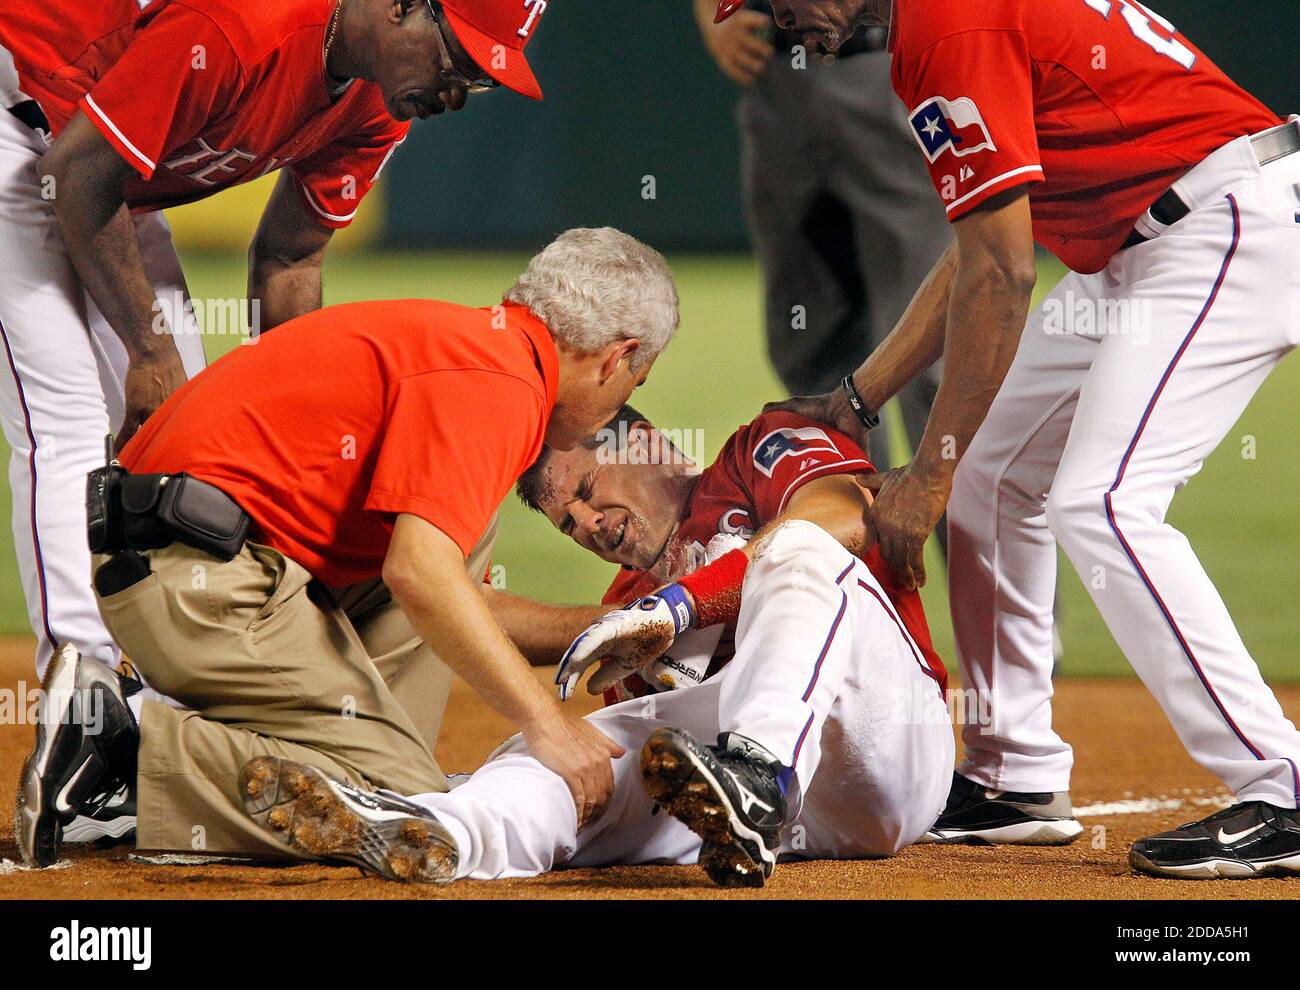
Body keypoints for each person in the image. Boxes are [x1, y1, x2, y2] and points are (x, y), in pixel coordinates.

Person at [715, 0, 1300, 877]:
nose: (781, 22)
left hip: (1223, 222)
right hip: (1146, 239)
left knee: (1105, 501)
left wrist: (925, 478)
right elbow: (975, 250)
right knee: (991, 482)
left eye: (780, 1)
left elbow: (1004, 274)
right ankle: (1012, 774)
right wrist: (859, 398)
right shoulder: (937, 28)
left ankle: (1283, 784)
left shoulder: (949, 29)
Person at [15, 227, 678, 872]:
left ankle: (300, 748)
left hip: (187, 555)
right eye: (634, 383)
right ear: (617, 356)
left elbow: (448, 594)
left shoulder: (476, 343)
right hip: (199, 579)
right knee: (395, 806)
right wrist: (549, 726)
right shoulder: (500, 379)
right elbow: (419, 575)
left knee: (462, 537)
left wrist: (600, 630)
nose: (621, 401)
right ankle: (120, 739)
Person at [0, 0, 550, 688]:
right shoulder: (245, 24)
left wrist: (296, 439)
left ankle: (167, 678)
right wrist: (150, 351)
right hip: (20, 120)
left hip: (99, 165)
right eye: (457, 58)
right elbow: (80, 173)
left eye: (480, 78)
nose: (456, 91)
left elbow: (289, 259)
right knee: (69, 421)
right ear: (404, 6)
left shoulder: (379, 104)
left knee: (186, 440)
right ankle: (79, 701)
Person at [232, 403, 953, 888]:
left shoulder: (754, 453)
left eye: (584, 487)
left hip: (886, 747)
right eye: (565, 522)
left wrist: (679, 608)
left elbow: (843, 520)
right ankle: (438, 829)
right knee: (578, 750)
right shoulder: (620, 615)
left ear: (640, 442)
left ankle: (759, 774)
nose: (586, 522)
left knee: (794, 549)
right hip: (794, 828)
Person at [691, 0, 951, 485]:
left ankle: (973, 561)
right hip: (776, 77)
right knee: (813, 347)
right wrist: (709, 13)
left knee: (933, 355)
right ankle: (854, 555)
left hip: (888, 64)